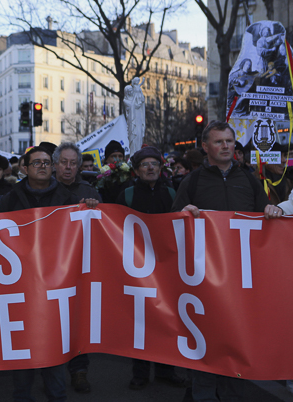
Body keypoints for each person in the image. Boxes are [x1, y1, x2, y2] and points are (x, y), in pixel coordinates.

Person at [172, 121, 281, 402]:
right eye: (219, 142)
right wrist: (183, 213)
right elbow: (171, 226)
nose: (225, 146)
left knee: (235, 344)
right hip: (204, 280)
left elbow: (264, 223)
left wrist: (271, 210)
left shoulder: (249, 180)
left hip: (241, 282)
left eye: (229, 141)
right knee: (206, 347)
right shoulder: (192, 181)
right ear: (205, 147)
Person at [0, 146, 78, 402]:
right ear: (24, 168)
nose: (43, 166)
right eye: (37, 163)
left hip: (56, 287)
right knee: (24, 352)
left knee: (53, 350)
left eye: (46, 162)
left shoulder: (68, 199)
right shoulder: (10, 199)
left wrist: (90, 210)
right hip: (21, 287)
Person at [115, 146, 186, 390]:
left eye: (154, 164)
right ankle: (141, 373)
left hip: (167, 265)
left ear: (160, 168)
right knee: (141, 322)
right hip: (138, 266)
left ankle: (167, 369)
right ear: (136, 170)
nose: (150, 168)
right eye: (144, 165)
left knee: (168, 319)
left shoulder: (170, 191)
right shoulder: (127, 193)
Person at [50, 142, 99, 393]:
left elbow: (104, 228)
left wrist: (95, 208)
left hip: (80, 266)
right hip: (49, 267)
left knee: (79, 319)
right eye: (64, 162)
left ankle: (80, 371)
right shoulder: (44, 190)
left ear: (78, 166)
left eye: (73, 163)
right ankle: (52, 367)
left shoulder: (90, 191)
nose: (68, 167)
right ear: (55, 164)